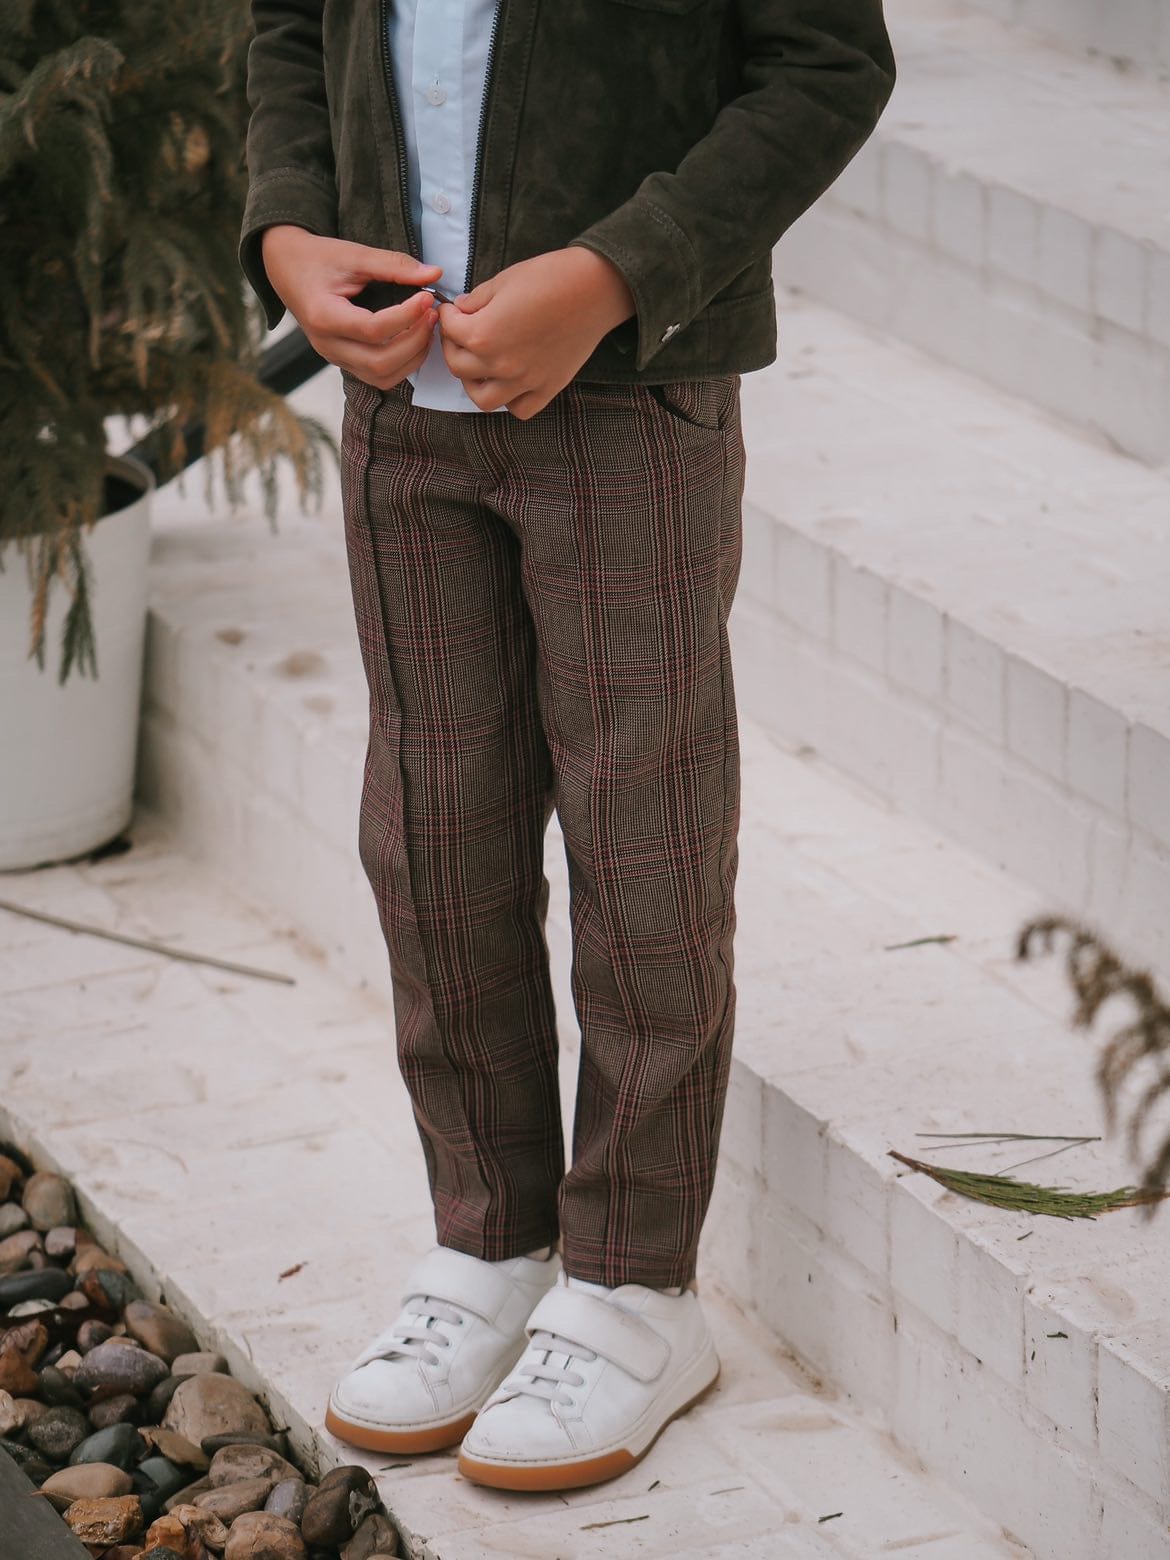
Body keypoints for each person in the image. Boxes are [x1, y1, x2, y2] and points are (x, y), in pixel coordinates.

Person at [240, 0, 895, 1494]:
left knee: (639, 843)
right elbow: (287, 27)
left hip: (625, 402)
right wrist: (289, 235)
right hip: (400, 408)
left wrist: (615, 273)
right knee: (430, 834)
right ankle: (488, 1244)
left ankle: (632, 1284)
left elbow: (825, 64)